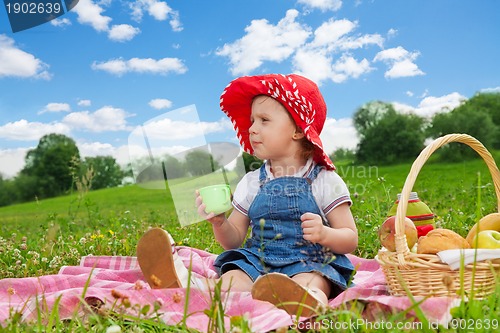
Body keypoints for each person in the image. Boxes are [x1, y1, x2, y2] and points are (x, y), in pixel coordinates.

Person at [137, 73, 358, 317]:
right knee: (233, 278)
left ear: (297, 129)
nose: (251, 128)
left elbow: (350, 239)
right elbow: (234, 240)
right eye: (252, 121)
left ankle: (309, 299)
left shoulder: (323, 179)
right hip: (260, 262)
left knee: (314, 278)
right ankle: (191, 285)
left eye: (264, 120)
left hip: (309, 259)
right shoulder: (253, 181)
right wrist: (220, 222)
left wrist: (325, 234)